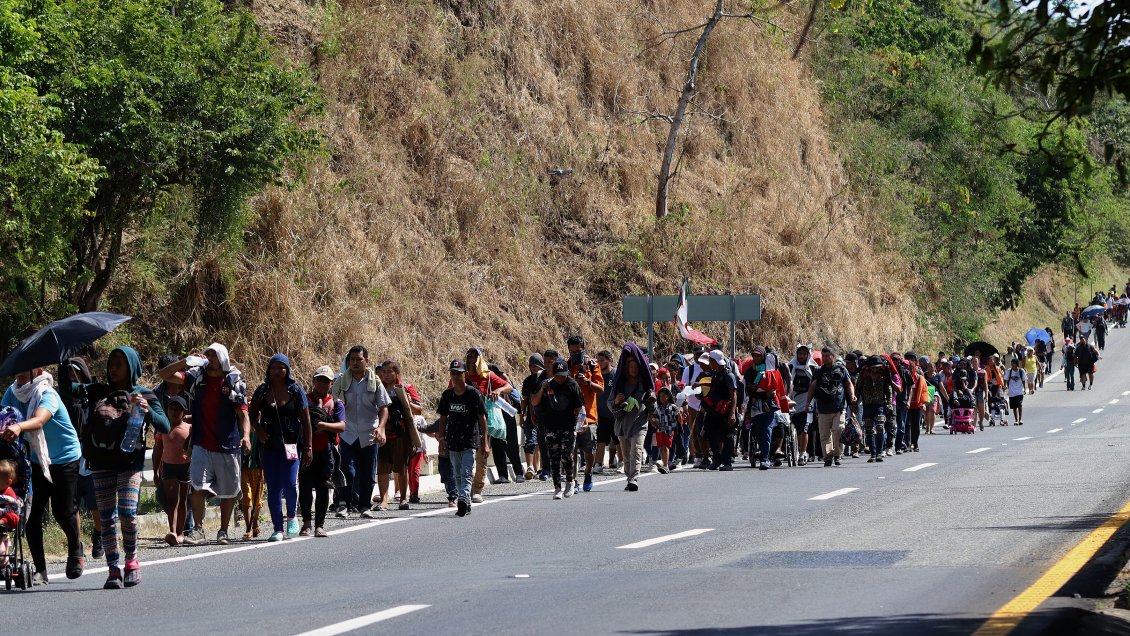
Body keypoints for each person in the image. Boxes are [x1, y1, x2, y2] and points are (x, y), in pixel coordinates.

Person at [83, 346, 170, 589]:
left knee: (128, 513)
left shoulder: (144, 393)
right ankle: (113, 569)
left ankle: (131, 561)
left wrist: (147, 409)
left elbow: (164, 426)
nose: (113, 368)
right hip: (100, 464)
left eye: (119, 363)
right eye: (112, 363)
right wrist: (62, 364)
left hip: (130, 464)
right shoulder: (99, 392)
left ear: (132, 366)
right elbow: (70, 391)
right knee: (107, 519)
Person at [1, 365, 85, 585]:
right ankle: (41, 570)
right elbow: (3, 415)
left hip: (64, 458)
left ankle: (76, 547)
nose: (20, 372)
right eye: (20, 367)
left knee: (63, 512)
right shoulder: (13, 392)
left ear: (40, 370)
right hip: (36, 460)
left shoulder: (47, 393)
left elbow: (39, 420)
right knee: (32, 514)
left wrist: (19, 427)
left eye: (28, 368)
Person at [161, 343, 250, 546]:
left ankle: (223, 530)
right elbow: (165, 375)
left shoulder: (233, 381)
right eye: (207, 355)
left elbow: (243, 413)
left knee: (228, 491)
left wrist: (245, 435)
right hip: (201, 444)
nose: (209, 358)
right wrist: (185, 361)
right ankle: (198, 529)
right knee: (197, 487)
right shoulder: (196, 377)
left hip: (228, 445)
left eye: (214, 355)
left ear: (223, 359)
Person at [249, 354, 312, 542]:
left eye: (281, 367)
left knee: (290, 482)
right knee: (274, 486)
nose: (277, 371)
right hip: (269, 446)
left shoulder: (295, 390)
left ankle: (292, 516)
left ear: (288, 370)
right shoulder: (262, 391)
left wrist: (308, 447)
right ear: (268, 370)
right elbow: (251, 415)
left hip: (292, 444)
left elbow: (306, 421)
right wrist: (259, 430)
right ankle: (277, 528)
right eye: (273, 368)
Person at [331, 345, 390, 519]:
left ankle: (365, 506)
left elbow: (384, 407)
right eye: (352, 359)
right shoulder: (341, 381)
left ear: (366, 361)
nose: (355, 363)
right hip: (347, 433)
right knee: (347, 471)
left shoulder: (375, 381)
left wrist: (381, 428)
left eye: (359, 359)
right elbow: (334, 404)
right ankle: (344, 504)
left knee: (368, 473)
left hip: (369, 433)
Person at [436, 360, 489, 516]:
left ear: (465, 374)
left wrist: (485, 442)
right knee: (457, 473)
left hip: (470, 440)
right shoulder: (447, 395)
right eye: (453, 373)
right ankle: (465, 500)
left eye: (458, 373)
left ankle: (464, 498)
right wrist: (441, 439)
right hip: (453, 440)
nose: (455, 376)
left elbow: (482, 419)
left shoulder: (474, 394)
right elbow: (443, 418)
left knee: (466, 471)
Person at [65, 357, 103, 560]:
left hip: (91, 454)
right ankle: (77, 543)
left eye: (77, 375)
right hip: (70, 455)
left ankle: (98, 536)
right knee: (73, 505)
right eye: (69, 376)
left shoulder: (95, 395)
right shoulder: (63, 399)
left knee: (96, 503)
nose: (74, 380)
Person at [463, 348, 511, 504]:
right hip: (463, 422)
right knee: (464, 457)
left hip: (482, 421)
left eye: (474, 356)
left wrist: (498, 389)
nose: (471, 359)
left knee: (481, 457)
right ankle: (465, 488)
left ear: (480, 359)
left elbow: (508, 387)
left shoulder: (487, 375)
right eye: (469, 356)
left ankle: (477, 490)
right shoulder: (461, 375)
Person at [303, 366, 345, 537]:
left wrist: (321, 425)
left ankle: (319, 525)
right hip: (307, 449)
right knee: (305, 487)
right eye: (318, 379)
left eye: (325, 381)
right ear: (313, 381)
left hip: (326, 451)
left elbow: (341, 426)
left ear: (331, 384)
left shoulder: (336, 403)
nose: (321, 383)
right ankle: (306, 524)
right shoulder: (304, 400)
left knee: (323, 488)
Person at [533, 360, 583, 498]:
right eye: (558, 375)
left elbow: (580, 407)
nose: (561, 378)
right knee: (554, 458)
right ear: (553, 374)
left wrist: (581, 424)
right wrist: (542, 389)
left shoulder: (572, 385)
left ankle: (570, 481)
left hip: (568, 425)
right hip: (551, 426)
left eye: (563, 375)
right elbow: (534, 402)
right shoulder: (548, 384)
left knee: (567, 455)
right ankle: (557, 487)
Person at [377, 360, 423, 510]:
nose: (386, 375)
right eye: (383, 372)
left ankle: (403, 498)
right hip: (383, 432)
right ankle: (384, 500)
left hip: (401, 433)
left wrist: (408, 402)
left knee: (401, 466)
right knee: (383, 467)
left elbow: (419, 410)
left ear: (397, 373)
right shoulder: (378, 388)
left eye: (390, 371)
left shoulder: (406, 388)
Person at [609, 343, 654, 490]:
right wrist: (616, 401)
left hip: (639, 423)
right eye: (631, 367)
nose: (634, 370)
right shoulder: (619, 385)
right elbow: (609, 403)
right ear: (627, 368)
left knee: (637, 450)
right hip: (622, 424)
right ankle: (629, 478)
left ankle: (634, 478)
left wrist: (651, 401)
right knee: (627, 454)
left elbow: (653, 405)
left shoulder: (644, 385)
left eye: (636, 367)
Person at [152, 395, 192, 546]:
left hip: (185, 466)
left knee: (183, 501)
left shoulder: (189, 428)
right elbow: (158, 449)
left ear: (183, 412)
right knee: (172, 501)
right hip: (168, 467)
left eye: (178, 409)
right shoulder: (163, 428)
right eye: (171, 409)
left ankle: (181, 533)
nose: (174, 412)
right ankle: (172, 531)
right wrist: (156, 471)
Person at [566, 336, 603, 493]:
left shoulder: (592, 365)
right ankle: (573, 480)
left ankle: (588, 472)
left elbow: (600, 390)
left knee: (589, 450)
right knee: (571, 450)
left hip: (589, 416)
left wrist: (587, 382)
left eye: (578, 350)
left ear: (583, 348)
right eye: (572, 351)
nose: (575, 354)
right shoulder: (566, 365)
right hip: (570, 415)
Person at [806, 347, 855, 466]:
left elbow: (848, 384)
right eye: (823, 356)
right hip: (822, 409)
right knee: (824, 435)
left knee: (838, 430)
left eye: (827, 356)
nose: (825, 358)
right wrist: (808, 403)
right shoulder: (818, 371)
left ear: (833, 356)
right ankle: (827, 457)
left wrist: (852, 396)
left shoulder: (841, 369)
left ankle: (837, 455)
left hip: (838, 408)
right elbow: (812, 387)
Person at [744, 347, 788, 470]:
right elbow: (749, 391)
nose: (756, 358)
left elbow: (773, 391)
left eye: (759, 356)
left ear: (763, 357)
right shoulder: (750, 372)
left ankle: (764, 459)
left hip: (768, 406)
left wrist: (762, 393)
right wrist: (763, 394)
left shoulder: (771, 372)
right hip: (754, 406)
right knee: (758, 431)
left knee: (767, 431)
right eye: (754, 356)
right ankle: (762, 453)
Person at [486, 363, 525, 486]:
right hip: (494, 416)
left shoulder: (502, 382)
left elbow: (512, 391)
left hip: (507, 414)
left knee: (511, 445)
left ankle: (519, 473)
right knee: (497, 445)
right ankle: (502, 475)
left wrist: (505, 379)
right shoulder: (483, 382)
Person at [699, 350, 737, 471]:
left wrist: (732, 413)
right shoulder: (715, 374)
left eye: (711, 361)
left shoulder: (729, 376)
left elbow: (734, 395)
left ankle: (727, 463)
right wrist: (698, 385)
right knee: (709, 433)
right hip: (714, 411)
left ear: (714, 361)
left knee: (727, 436)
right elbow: (714, 387)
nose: (709, 363)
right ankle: (717, 459)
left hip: (726, 411)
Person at [857, 356, 894, 463]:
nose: (875, 369)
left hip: (880, 405)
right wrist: (854, 402)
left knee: (880, 427)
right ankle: (872, 454)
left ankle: (879, 453)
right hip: (867, 405)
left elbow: (888, 389)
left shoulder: (884, 374)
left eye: (877, 367)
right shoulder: (864, 374)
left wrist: (889, 403)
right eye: (873, 367)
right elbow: (858, 387)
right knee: (868, 429)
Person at [787, 345, 819, 465]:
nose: (802, 356)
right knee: (795, 428)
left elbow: (815, 385)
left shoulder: (813, 368)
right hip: (793, 401)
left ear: (808, 355)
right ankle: (796, 450)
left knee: (804, 429)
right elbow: (786, 383)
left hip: (807, 402)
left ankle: (802, 454)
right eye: (800, 353)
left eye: (804, 354)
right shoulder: (790, 367)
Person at [594, 350, 620, 473]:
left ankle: (622, 462)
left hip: (615, 413)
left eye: (602, 360)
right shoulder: (596, 375)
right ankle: (598, 464)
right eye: (598, 360)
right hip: (601, 414)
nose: (600, 363)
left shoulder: (615, 375)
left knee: (618, 439)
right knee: (600, 440)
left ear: (609, 360)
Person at [520, 354, 544, 481]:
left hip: (544, 415)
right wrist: (522, 415)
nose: (533, 368)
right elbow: (524, 399)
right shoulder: (528, 380)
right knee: (530, 441)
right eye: (531, 366)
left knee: (540, 442)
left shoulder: (547, 379)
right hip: (531, 415)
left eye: (536, 366)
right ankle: (530, 467)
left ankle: (538, 467)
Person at [239, 429, 264, 540]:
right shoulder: (240, 425)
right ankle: (248, 527)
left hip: (257, 465)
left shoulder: (261, 425)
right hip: (242, 465)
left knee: (257, 498)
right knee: (246, 496)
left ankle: (255, 521)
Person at [650, 387, 679, 472]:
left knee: (666, 446)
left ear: (668, 396)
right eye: (660, 396)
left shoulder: (672, 407)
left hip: (669, 429)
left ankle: (666, 465)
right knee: (661, 447)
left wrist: (679, 416)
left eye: (664, 396)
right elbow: (652, 417)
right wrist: (652, 421)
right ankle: (664, 463)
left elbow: (678, 418)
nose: (662, 398)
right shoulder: (657, 407)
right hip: (659, 429)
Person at [0, 460, 22, 568]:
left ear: (8, 482)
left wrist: (16, 502)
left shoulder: (9, 492)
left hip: (7, 516)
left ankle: (4, 564)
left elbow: (14, 507)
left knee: (13, 516)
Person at [1005, 359, 1027, 425]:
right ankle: (1016, 420)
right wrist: (1005, 386)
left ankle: (1020, 419)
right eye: (1011, 364)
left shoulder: (1021, 371)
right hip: (1012, 391)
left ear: (1016, 364)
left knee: (1019, 405)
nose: (1012, 365)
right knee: (1014, 407)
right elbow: (1006, 379)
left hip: (1019, 391)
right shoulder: (1009, 371)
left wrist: (1025, 389)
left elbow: (1024, 380)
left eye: (1013, 363)